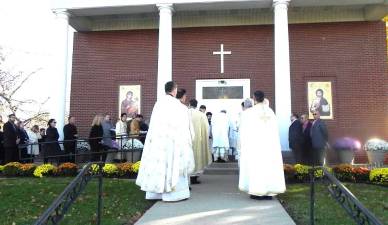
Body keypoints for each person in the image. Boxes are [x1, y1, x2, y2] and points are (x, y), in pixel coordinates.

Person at [136, 81, 195, 202]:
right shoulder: (179, 106)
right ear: (174, 90)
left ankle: (155, 193)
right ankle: (174, 195)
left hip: (158, 142)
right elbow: (184, 127)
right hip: (173, 142)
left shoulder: (158, 104)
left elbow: (153, 125)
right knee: (173, 166)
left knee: (159, 166)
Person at [239, 91, 286, 199]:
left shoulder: (249, 113)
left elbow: (244, 131)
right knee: (268, 168)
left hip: (255, 147)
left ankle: (256, 192)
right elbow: (275, 130)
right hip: (269, 147)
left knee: (256, 168)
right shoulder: (270, 112)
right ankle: (268, 193)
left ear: (254, 98)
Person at [188, 99, 212, 184]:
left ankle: (187, 178)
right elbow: (207, 128)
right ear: (196, 105)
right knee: (196, 158)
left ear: (189, 104)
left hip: (187, 140)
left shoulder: (185, 112)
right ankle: (194, 178)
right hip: (197, 140)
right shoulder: (201, 115)